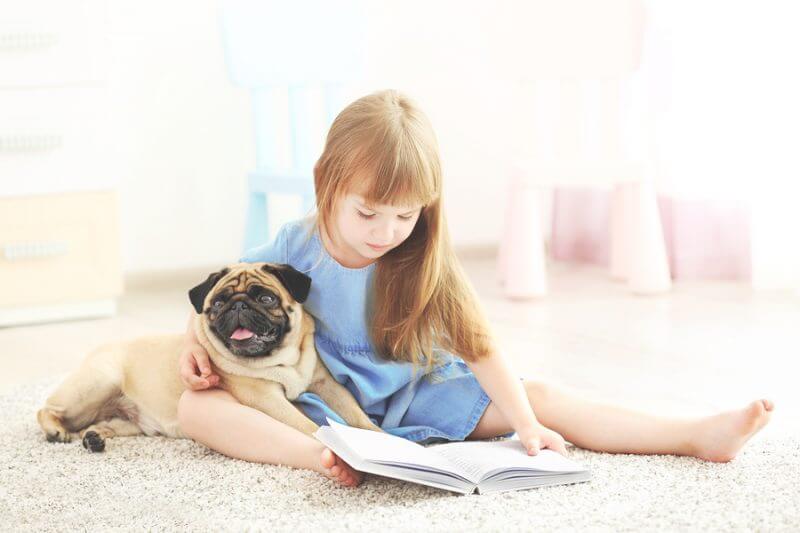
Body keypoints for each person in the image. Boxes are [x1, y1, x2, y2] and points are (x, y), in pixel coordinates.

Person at [177, 89, 774, 488]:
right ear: (324, 183)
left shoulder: (421, 257)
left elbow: (482, 349)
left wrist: (526, 425)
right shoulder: (292, 244)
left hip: (421, 393)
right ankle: (323, 458)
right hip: (323, 402)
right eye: (369, 214)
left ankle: (692, 435)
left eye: (405, 215)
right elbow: (218, 297)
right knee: (196, 408)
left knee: (540, 395)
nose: (387, 232)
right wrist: (192, 348)